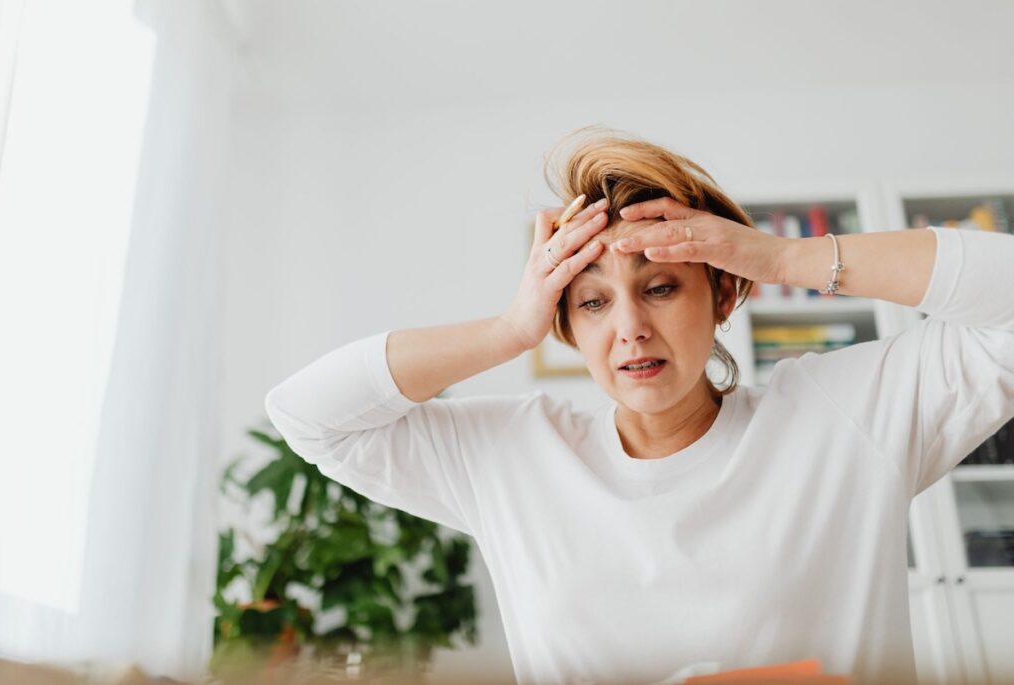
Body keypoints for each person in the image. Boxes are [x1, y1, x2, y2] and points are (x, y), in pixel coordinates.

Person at [264, 127, 1014, 685]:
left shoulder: (843, 416)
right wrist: (509, 330)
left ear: (721, 290)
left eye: (660, 286)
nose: (630, 328)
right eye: (591, 302)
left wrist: (780, 257)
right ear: (566, 324)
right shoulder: (512, 456)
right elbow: (307, 414)